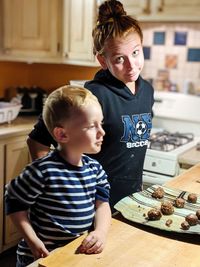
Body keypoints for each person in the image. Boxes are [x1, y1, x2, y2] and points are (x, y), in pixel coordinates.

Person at [27, 0, 154, 210]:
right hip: (89, 206)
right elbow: (37, 141)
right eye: (120, 58)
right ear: (103, 61)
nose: (132, 65)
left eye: (136, 52)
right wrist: (55, 186)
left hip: (130, 204)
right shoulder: (92, 94)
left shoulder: (147, 91)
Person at [5, 85, 111, 267]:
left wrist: (100, 231)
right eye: (92, 126)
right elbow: (13, 203)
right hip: (38, 257)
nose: (102, 132)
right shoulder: (42, 171)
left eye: (100, 123)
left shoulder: (95, 169)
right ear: (62, 134)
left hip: (72, 253)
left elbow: (102, 205)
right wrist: (31, 240)